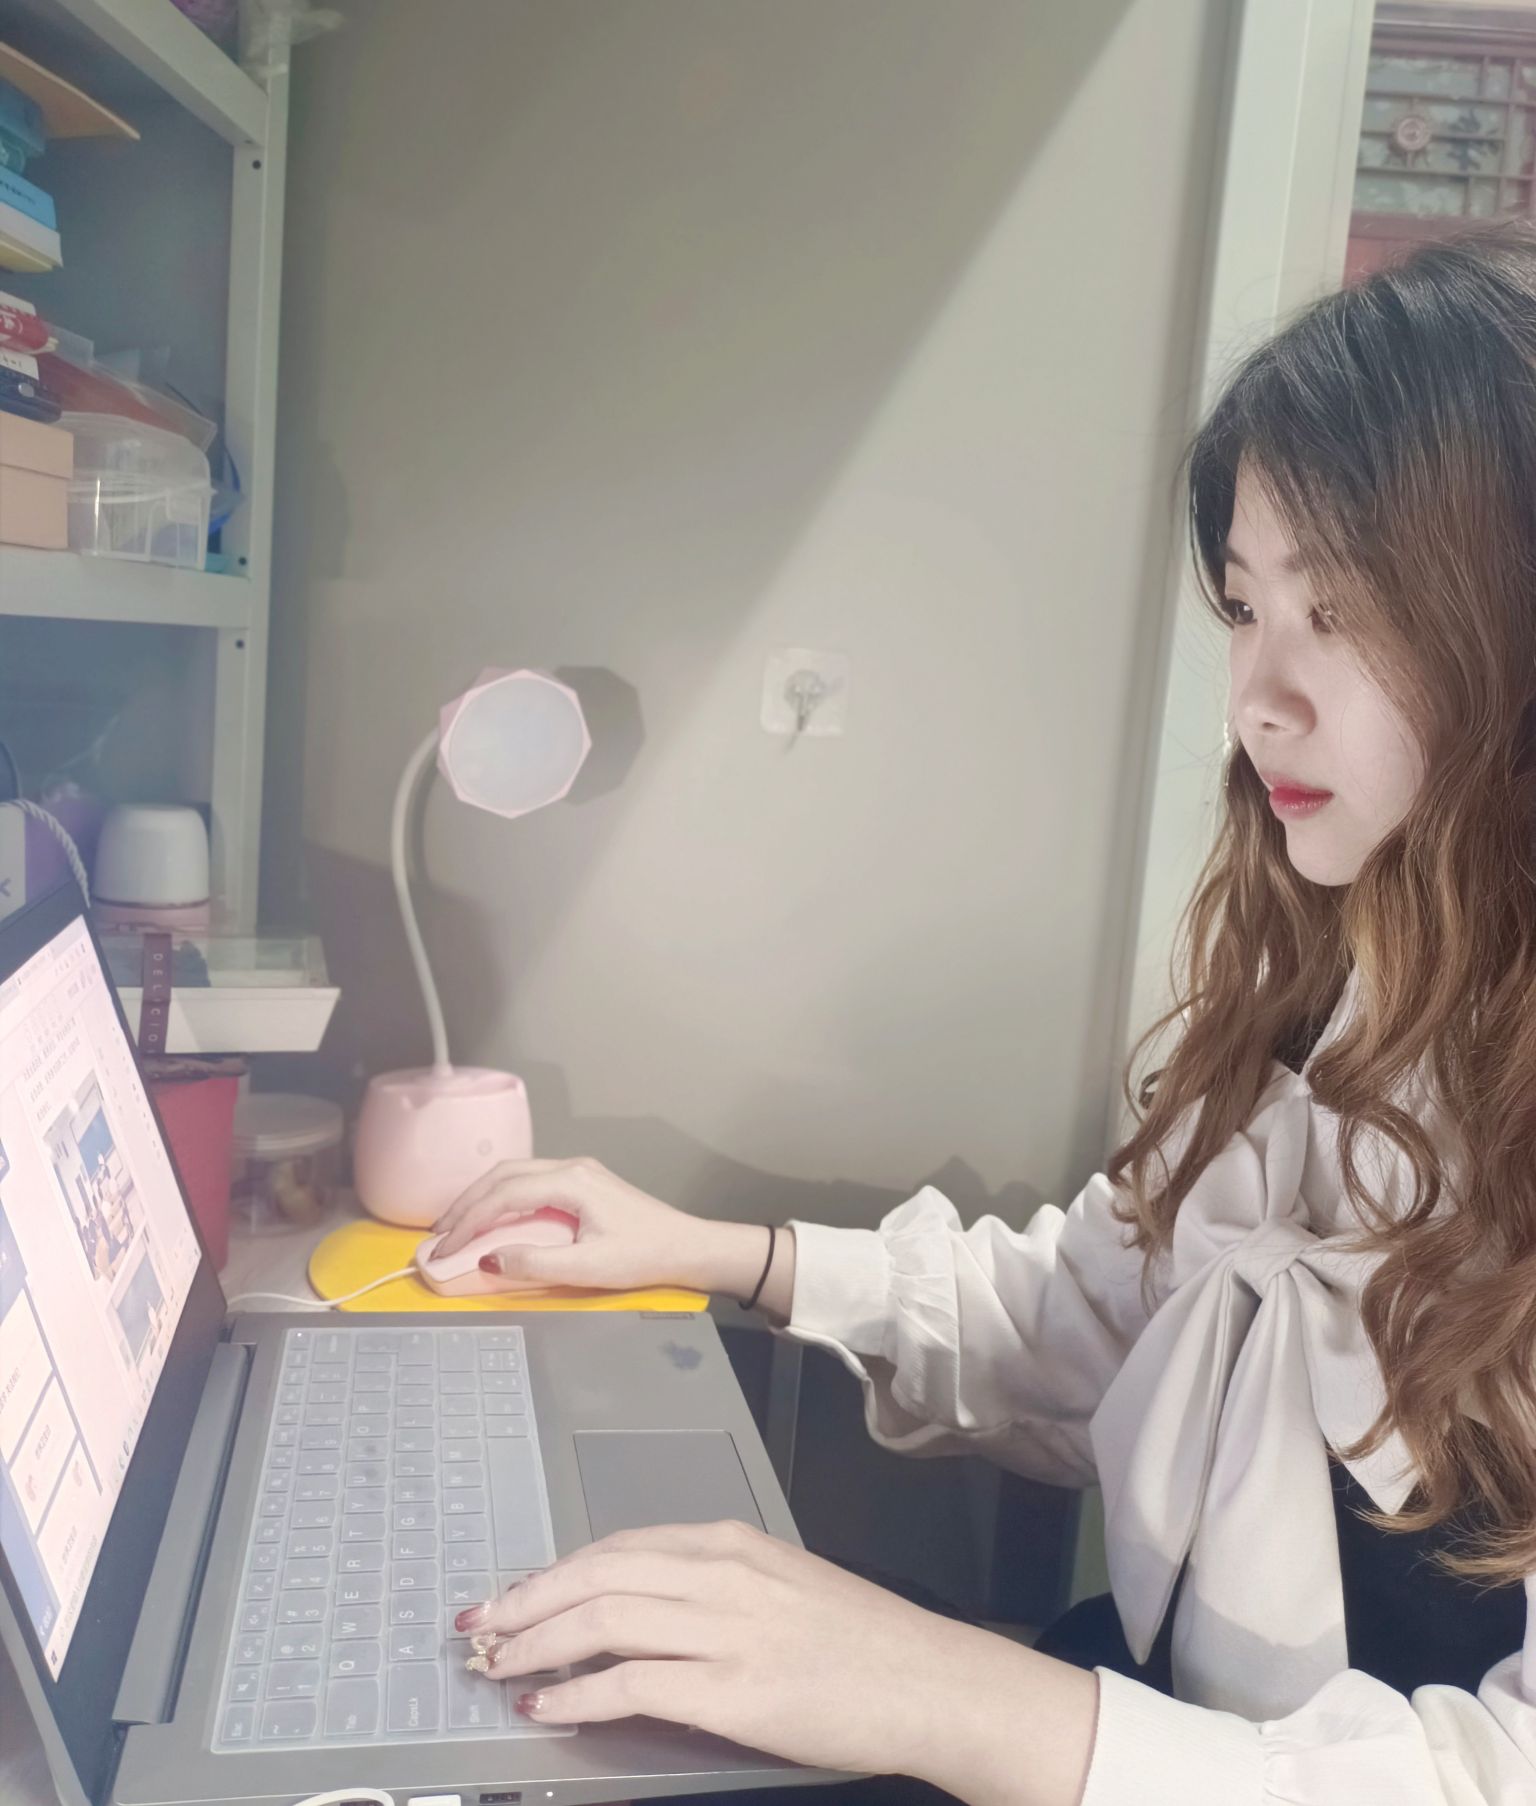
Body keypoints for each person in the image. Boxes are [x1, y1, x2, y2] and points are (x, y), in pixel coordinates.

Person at [429, 222, 1536, 1805]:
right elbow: (1085, 1321)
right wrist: (717, 1252)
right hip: (1112, 1714)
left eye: (1343, 610)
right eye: (1245, 607)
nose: (1260, 697)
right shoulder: (1327, 989)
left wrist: (937, 1689)